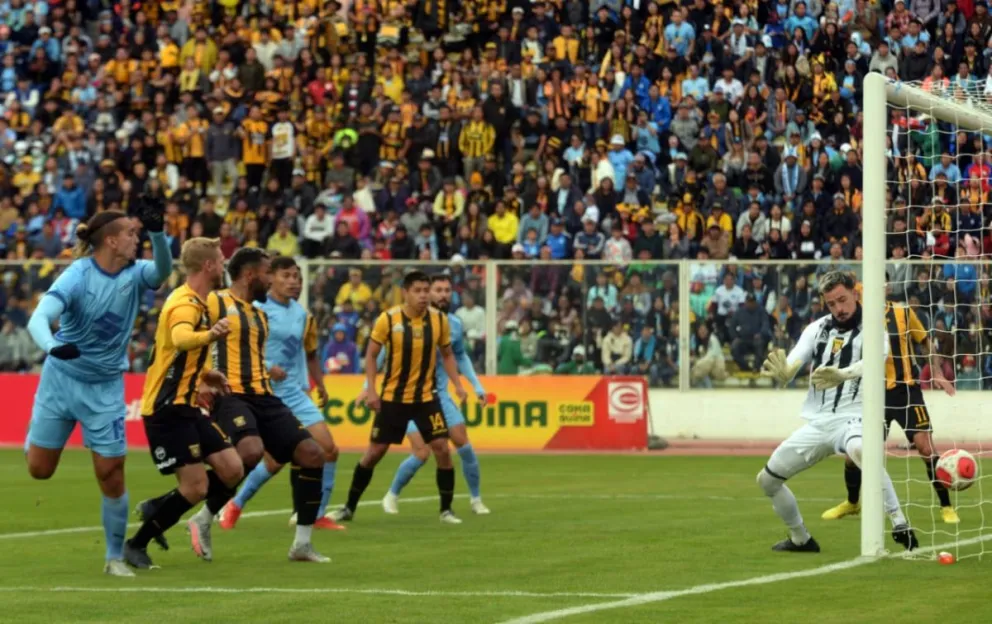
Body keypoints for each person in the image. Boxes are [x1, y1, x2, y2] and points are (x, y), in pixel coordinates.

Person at [25, 207, 173, 577]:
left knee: (111, 472)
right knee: (39, 470)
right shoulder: (77, 275)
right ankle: (35, 435)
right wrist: (53, 346)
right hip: (61, 379)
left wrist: (158, 235)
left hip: (105, 387)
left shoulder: (134, 273)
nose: (135, 239)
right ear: (111, 240)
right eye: (131, 234)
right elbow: (38, 318)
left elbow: (162, 272)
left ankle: (114, 557)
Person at [185, 248, 329, 563]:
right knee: (250, 451)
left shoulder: (259, 315)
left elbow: (254, 358)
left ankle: (302, 545)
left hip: (265, 395)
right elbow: (185, 340)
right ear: (250, 275)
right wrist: (200, 380)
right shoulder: (214, 302)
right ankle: (204, 514)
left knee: (313, 453)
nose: (271, 280)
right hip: (230, 394)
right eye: (268, 273)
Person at [758, 271, 917, 553]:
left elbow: (874, 361)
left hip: (856, 418)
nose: (838, 308)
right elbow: (795, 360)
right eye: (831, 303)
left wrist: (843, 374)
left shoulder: (874, 327)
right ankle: (800, 539)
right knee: (767, 480)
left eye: (842, 300)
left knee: (860, 450)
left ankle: (899, 522)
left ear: (855, 293)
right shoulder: (817, 328)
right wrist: (786, 372)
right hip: (819, 422)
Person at [123, 238, 244, 569]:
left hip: (187, 406)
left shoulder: (199, 303)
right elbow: (180, 339)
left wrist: (207, 374)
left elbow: (176, 354)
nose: (224, 264)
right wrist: (211, 335)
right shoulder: (185, 304)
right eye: (221, 260)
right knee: (196, 487)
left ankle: (159, 506)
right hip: (167, 409)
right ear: (208, 265)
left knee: (233, 468)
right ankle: (136, 544)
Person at [330, 270, 468, 525]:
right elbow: (372, 355)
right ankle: (349, 507)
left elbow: (448, 354)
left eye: (426, 291)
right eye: (417, 291)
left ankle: (446, 510)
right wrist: (372, 390)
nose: (423, 296)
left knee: (442, 449)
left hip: (426, 399)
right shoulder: (388, 319)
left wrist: (458, 385)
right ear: (405, 292)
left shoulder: (439, 320)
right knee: (374, 453)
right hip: (393, 399)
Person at [217, 256, 345, 531]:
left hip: (293, 391)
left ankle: (316, 514)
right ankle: (235, 504)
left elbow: (309, 353)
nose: (293, 282)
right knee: (274, 461)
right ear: (270, 278)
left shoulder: (302, 315)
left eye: (296, 276)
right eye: (286, 276)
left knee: (329, 449)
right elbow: (236, 347)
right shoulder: (255, 308)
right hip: (261, 390)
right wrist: (266, 367)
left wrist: (318, 384)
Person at [821, 286, 959, 524]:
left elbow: (925, 341)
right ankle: (852, 503)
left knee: (926, 449)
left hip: (907, 391)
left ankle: (946, 506)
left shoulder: (902, 312)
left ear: (885, 288)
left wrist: (937, 372)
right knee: (854, 453)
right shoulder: (855, 319)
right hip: (872, 395)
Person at [382, 274, 490, 516]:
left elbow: (460, 356)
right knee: (422, 452)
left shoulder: (454, 324)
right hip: (410, 397)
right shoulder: (403, 320)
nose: (443, 295)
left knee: (463, 444)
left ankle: (476, 500)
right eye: (438, 290)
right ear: (428, 293)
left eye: (447, 290)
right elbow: (382, 353)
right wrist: (367, 387)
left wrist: (476, 385)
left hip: (439, 395)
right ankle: (392, 494)